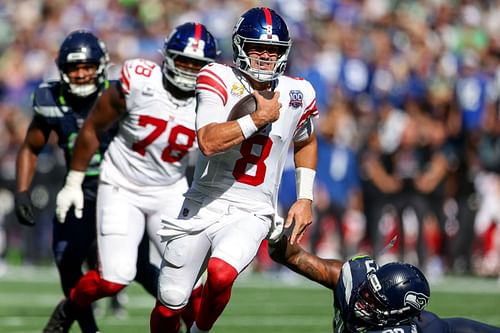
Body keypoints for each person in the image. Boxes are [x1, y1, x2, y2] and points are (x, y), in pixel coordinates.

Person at [42, 23, 219, 333]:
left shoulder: (214, 101)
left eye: (198, 65)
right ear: (167, 58)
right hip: (122, 185)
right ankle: (71, 306)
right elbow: (93, 126)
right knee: (114, 278)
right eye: (184, 61)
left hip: (170, 189)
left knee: (189, 284)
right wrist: (74, 180)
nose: (190, 71)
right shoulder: (140, 81)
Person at [150, 7, 319, 333]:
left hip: (253, 209)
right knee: (171, 300)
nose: (265, 57)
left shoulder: (300, 92)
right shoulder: (217, 78)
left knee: (222, 273)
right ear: (240, 46)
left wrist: (305, 197)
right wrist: (258, 118)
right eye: (258, 47)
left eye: (273, 50)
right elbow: (209, 141)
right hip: (204, 201)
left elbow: (307, 140)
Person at [15, 30, 141, 333]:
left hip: (122, 190)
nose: (82, 73)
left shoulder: (120, 94)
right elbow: (31, 146)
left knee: (143, 271)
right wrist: (22, 192)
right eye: (74, 68)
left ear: (101, 66)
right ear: (63, 69)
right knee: (66, 259)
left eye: (87, 66)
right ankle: (88, 327)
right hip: (78, 190)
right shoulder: (50, 97)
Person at [269, 234, 500, 333]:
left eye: (373, 300)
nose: (363, 299)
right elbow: (293, 257)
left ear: (397, 313)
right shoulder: (356, 281)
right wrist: (276, 235)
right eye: (369, 290)